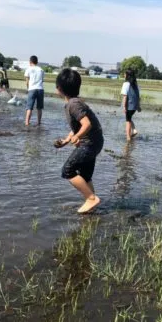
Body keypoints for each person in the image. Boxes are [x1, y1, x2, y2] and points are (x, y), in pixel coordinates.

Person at [54, 69, 104, 214]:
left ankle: (91, 199)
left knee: (67, 170)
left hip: (89, 144)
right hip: (95, 143)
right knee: (85, 175)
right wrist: (67, 140)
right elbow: (77, 127)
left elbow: (86, 124)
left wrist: (77, 137)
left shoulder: (73, 104)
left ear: (59, 88)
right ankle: (91, 204)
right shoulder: (75, 102)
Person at [121, 69, 141, 141]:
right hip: (134, 106)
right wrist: (138, 106)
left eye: (125, 74)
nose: (124, 75)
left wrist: (124, 107)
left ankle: (128, 138)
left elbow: (125, 96)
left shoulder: (126, 84)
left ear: (127, 75)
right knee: (129, 118)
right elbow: (138, 96)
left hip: (129, 105)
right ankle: (134, 130)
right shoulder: (136, 84)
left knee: (128, 121)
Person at [24, 55, 45, 126]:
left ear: (30, 61)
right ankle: (38, 122)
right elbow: (42, 81)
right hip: (40, 89)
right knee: (39, 108)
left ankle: (27, 122)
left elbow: (27, 81)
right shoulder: (41, 70)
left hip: (32, 89)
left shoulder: (28, 69)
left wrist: (28, 88)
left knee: (29, 107)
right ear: (37, 62)